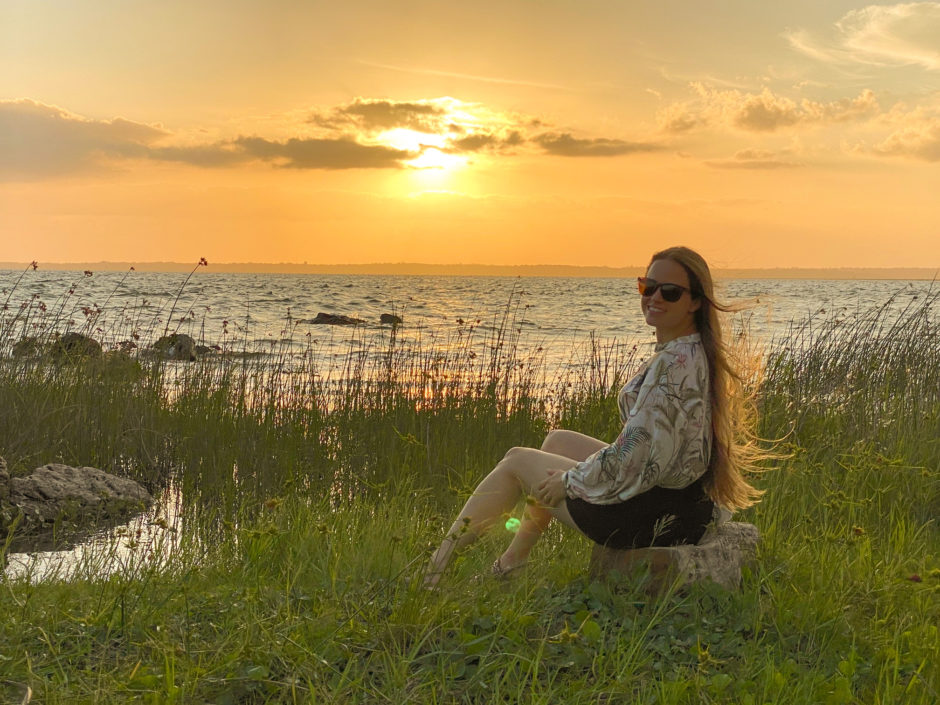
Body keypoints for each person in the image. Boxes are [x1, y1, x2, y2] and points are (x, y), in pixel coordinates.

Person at [424, 246, 764, 587]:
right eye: (648, 287)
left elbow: (638, 459)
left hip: (650, 515)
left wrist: (570, 481)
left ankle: (433, 573)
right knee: (557, 440)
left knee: (516, 462)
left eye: (670, 292)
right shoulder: (691, 351)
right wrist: (581, 474)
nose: (654, 297)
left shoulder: (674, 367)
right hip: (683, 505)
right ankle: (512, 563)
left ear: (694, 302)